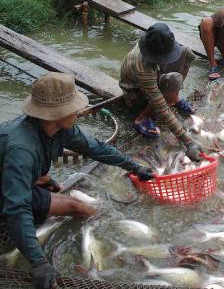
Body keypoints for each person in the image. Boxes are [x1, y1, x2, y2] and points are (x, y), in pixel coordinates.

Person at [0, 72, 155, 289]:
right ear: (56, 114)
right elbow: (17, 208)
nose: (79, 111)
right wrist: (39, 263)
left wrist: (134, 167)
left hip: (13, 174)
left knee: (68, 197)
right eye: (73, 107)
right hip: (7, 192)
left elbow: (97, 149)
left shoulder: (60, 130)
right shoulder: (22, 149)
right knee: (77, 207)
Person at [119, 23, 202, 162]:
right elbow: (161, 107)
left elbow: (182, 58)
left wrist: (173, 95)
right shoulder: (143, 68)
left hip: (153, 76)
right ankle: (142, 118)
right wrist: (187, 141)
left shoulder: (158, 42)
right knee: (170, 85)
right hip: (134, 91)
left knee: (186, 53)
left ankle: (174, 98)